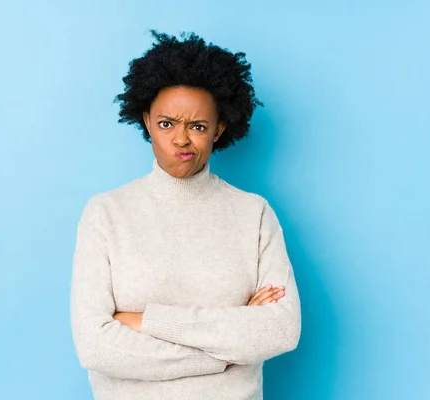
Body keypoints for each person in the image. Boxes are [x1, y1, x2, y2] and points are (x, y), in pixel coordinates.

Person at [70, 30, 301, 400]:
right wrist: (222, 352)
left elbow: (280, 330)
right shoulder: (106, 213)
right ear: (146, 121)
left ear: (218, 129)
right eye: (166, 123)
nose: (181, 139)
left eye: (197, 126)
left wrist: (147, 322)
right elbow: (95, 345)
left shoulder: (253, 214)